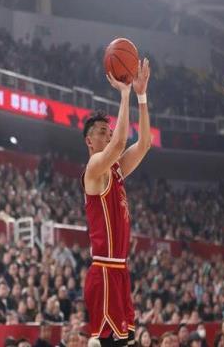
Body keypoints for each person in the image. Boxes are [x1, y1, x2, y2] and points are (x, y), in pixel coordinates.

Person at [82, 59, 151, 347]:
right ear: (89, 141)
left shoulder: (117, 169)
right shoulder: (94, 168)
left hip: (120, 270)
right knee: (110, 344)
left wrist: (141, 97)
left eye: (109, 131)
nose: (108, 134)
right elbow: (121, 143)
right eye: (102, 132)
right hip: (104, 270)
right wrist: (124, 94)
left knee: (127, 342)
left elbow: (144, 143)